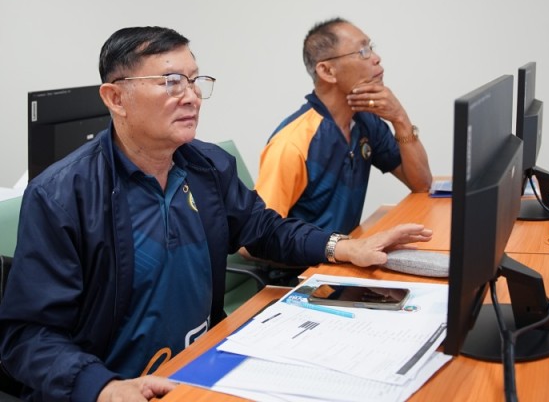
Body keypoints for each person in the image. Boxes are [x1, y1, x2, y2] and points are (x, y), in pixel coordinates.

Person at [0, 26, 433, 402]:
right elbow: (27, 336)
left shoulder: (206, 167)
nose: (191, 97)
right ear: (116, 98)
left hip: (199, 368)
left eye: (194, 81)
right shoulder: (62, 196)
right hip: (120, 387)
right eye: (171, 82)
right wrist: (103, 387)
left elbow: (264, 229)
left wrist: (345, 247)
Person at [253, 17, 433, 235]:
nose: (376, 58)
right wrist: (341, 249)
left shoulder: (366, 121)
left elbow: (421, 184)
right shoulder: (292, 143)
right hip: (312, 258)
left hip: (349, 250)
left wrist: (400, 119)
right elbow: (255, 238)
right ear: (327, 71)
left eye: (371, 48)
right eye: (363, 51)